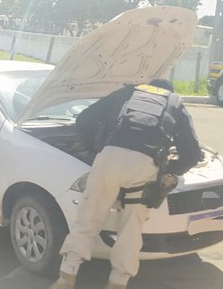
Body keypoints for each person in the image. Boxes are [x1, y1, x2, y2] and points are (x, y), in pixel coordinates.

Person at [49, 79, 201, 289]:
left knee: (88, 218)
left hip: (109, 158)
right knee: (130, 229)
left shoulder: (129, 92)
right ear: (168, 92)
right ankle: (117, 283)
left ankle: (66, 277)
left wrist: (97, 149)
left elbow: (84, 119)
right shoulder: (175, 102)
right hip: (143, 166)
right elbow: (192, 153)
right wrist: (169, 171)